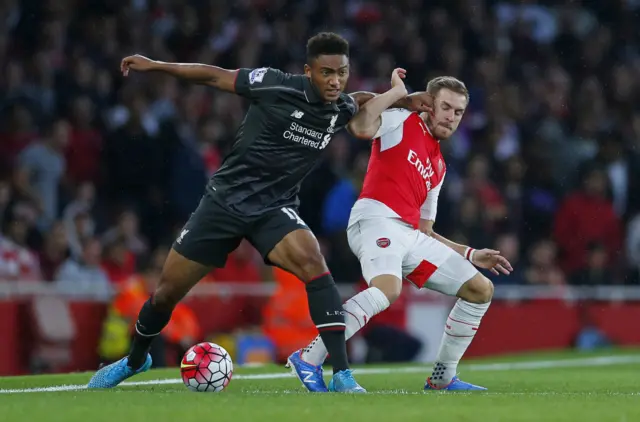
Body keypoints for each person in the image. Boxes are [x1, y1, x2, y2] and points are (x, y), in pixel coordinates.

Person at [87, 32, 430, 393]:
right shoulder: (275, 84)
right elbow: (213, 75)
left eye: (341, 72)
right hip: (224, 203)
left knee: (315, 263)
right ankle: (136, 360)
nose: (335, 81)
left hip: (275, 208)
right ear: (308, 70)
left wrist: (405, 100)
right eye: (326, 72)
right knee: (166, 294)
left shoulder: (339, 106)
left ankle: (341, 374)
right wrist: (157, 66)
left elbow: (360, 102)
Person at [286, 69, 513, 392]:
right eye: (446, 107)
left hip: (409, 235)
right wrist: (397, 94)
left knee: (480, 290)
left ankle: (442, 379)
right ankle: (309, 358)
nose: (451, 117)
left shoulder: (439, 167)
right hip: (375, 219)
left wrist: (471, 253)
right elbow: (359, 125)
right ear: (428, 105)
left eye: (459, 112)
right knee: (388, 289)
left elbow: (426, 230)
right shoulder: (401, 121)